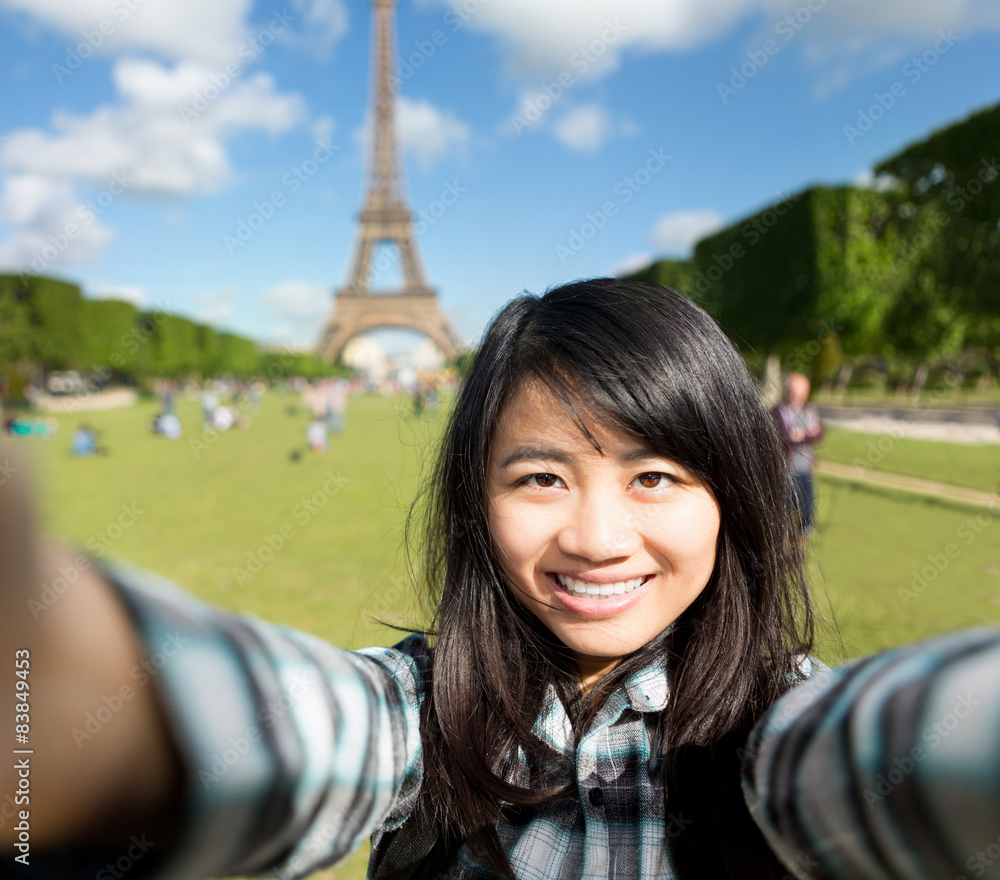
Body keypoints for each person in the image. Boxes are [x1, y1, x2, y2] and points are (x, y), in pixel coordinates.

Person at [1, 279, 998, 880]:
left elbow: (891, 745)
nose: (599, 537)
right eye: (541, 476)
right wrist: (82, 697)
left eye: (654, 475)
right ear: (475, 498)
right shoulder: (424, 713)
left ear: (730, 495)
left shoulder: (777, 727)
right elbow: (304, 725)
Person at [771, 372, 824, 532]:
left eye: (802, 393)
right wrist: (807, 435)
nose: (798, 397)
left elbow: (819, 433)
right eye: (795, 392)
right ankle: (781, 531)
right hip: (786, 468)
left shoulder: (809, 410)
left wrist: (802, 435)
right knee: (785, 504)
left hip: (805, 466)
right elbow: (784, 437)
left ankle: (806, 528)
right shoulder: (776, 412)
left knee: (807, 501)